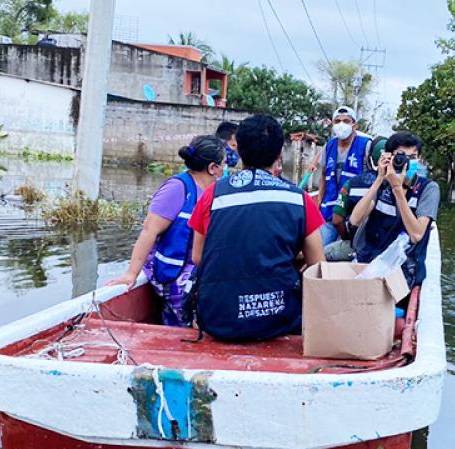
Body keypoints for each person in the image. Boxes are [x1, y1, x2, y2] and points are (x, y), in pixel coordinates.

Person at [189, 114, 325, 341]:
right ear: (280, 153)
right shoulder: (300, 199)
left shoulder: (212, 194)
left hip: (218, 318)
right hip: (279, 319)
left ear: (239, 151)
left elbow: (197, 257)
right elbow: (318, 268)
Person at [108, 135, 225, 326]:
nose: (225, 170)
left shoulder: (215, 192)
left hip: (197, 270)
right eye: (224, 164)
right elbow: (149, 231)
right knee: (200, 321)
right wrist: (131, 274)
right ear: (213, 168)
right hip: (173, 273)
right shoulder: (178, 188)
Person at [349, 132, 440, 287]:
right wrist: (379, 179)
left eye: (413, 157)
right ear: (389, 158)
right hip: (372, 261)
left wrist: (397, 188)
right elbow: (355, 220)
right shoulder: (382, 185)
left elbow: (417, 234)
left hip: (404, 269)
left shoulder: (428, 189)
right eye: (401, 156)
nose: (407, 162)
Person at [325, 136, 387, 261]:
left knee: (321, 254)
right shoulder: (397, 186)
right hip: (384, 247)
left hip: (354, 245)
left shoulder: (351, 184)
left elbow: (337, 220)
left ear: (368, 158)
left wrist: (347, 238)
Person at [316, 105, 372, 246]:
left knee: (351, 253)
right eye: (337, 121)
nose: (341, 124)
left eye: (346, 121)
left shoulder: (366, 146)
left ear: (354, 125)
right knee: (320, 250)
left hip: (354, 213)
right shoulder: (329, 146)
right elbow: (323, 176)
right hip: (329, 211)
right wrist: (318, 204)